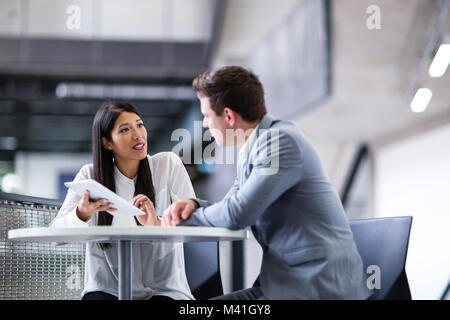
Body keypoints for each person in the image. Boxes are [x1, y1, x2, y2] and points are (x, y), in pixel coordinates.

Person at [162, 66, 373, 300]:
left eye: (207, 116)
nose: (204, 124)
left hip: (318, 288)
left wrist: (183, 220)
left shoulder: (280, 142)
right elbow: (233, 203)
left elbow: (237, 213)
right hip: (285, 286)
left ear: (229, 116)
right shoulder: (256, 147)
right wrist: (194, 204)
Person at [51, 101, 195, 300]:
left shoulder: (168, 165)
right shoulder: (90, 176)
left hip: (163, 289)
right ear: (107, 142)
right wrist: (81, 214)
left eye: (140, 125)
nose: (138, 135)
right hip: (106, 288)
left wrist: (156, 224)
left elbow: (193, 223)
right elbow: (56, 236)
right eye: (125, 129)